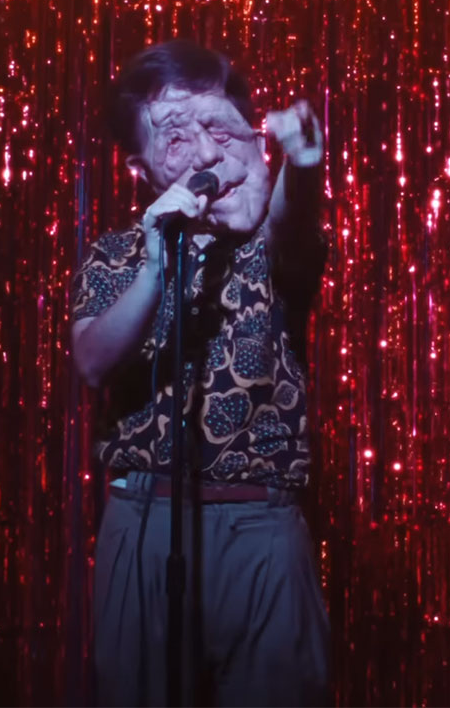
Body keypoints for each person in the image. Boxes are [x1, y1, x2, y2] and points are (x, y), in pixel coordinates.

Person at [71, 39, 330, 707]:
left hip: (260, 529)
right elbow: (94, 360)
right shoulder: (116, 256)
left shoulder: (266, 246)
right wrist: (159, 267)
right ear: (139, 167)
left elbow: (291, 225)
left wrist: (301, 168)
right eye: (177, 136)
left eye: (220, 128)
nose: (209, 154)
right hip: (144, 518)